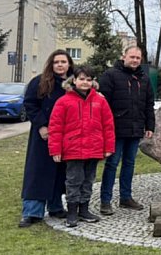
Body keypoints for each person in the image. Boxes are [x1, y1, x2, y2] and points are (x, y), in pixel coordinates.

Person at [48, 66, 115, 227]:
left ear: (93, 82)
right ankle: (71, 211)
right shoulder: (63, 101)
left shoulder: (100, 101)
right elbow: (56, 127)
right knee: (73, 181)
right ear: (74, 80)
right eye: (82, 79)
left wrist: (108, 147)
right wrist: (55, 149)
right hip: (73, 149)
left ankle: (84, 209)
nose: (85, 82)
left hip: (94, 147)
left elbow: (108, 125)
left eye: (89, 79)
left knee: (88, 180)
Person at [19, 50, 74, 228]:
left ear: (69, 64)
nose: (59, 65)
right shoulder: (40, 82)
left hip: (65, 135)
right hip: (44, 135)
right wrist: (42, 125)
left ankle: (56, 206)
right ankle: (32, 211)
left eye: (63, 62)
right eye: (56, 62)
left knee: (60, 173)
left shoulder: (73, 84)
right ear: (51, 64)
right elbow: (30, 104)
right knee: (38, 172)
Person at [98, 46, 155, 215]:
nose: (135, 60)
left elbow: (148, 104)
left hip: (135, 129)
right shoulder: (110, 75)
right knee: (112, 164)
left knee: (129, 164)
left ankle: (125, 197)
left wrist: (150, 126)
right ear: (124, 57)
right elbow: (103, 103)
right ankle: (105, 200)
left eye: (138, 58)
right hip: (115, 129)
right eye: (132, 57)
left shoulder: (143, 78)